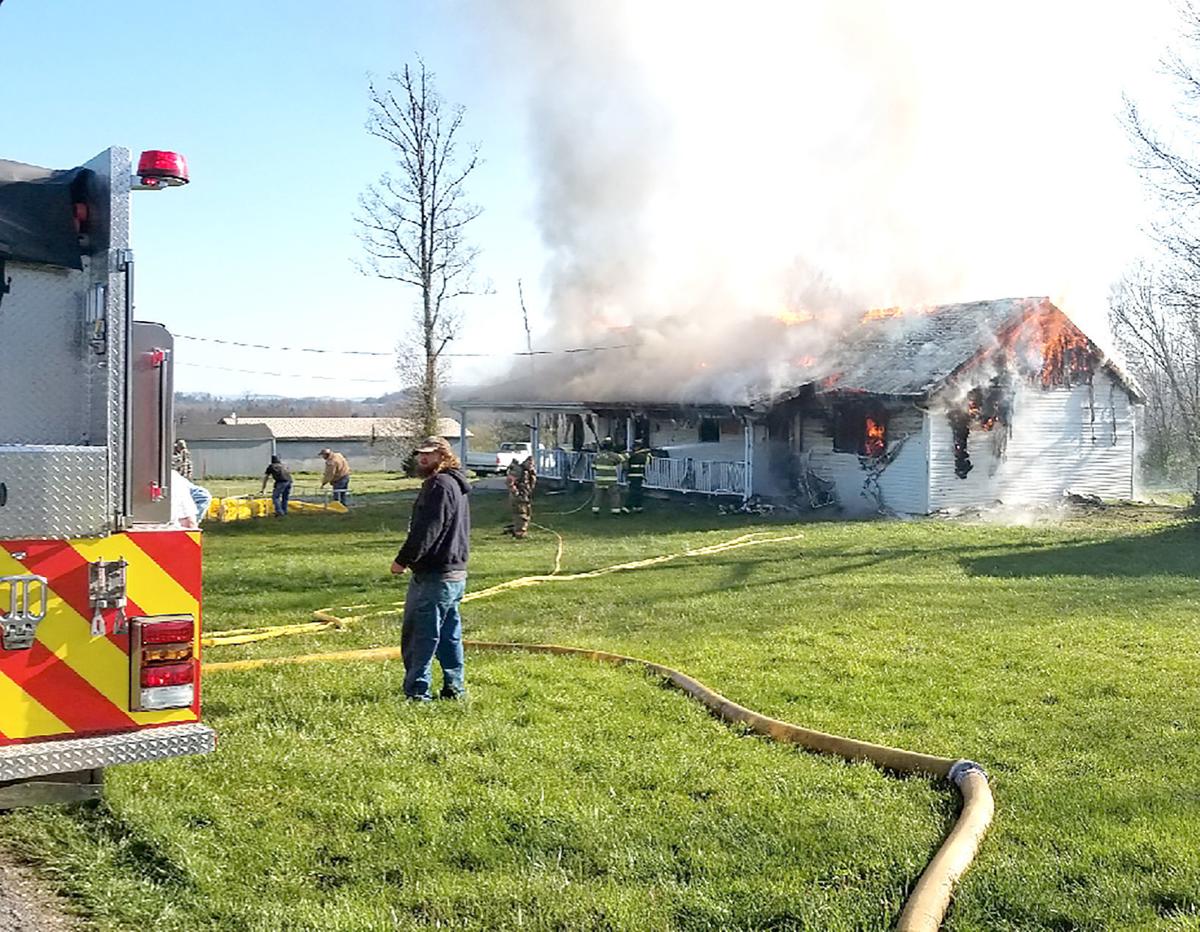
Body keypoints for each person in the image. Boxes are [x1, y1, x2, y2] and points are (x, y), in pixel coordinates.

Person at [390, 435, 471, 701]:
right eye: (420, 454)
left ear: (444, 456)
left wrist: (403, 560)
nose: (423, 458)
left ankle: (417, 693)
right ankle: (455, 689)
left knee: (421, 637)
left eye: (430, 454)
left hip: (435, 574)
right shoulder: (456, 484)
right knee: (448, 635)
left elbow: (428, 529)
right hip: (455, 572)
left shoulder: (439, 484)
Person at [592, 437, 626, 516]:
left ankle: (595, 510)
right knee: (614, 495)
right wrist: (630, 453)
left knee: (598, 496)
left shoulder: (597, 456)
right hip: (610, 480)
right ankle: (615, 511)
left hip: (599, 479)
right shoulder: (613, 455)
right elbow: (623, 458)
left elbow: (593, 467)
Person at [505, 453, 537, 538]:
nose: (531, 465)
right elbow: (509, 482)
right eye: (529, 463)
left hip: (526, 495)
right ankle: (520, 533)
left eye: (532, 464)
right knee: (520, 514)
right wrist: (515, 492)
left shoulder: (529, 472)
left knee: (527, 514)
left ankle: (516, 529)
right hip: (518, 496)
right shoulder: (518, 470)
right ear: (525, 462)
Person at [625, 441, 650, 513]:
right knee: (636, 491)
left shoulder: (633, 455)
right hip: (638, 476)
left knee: (635, 491)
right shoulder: (641, 456)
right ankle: (635, 506)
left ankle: (633, 506)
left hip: (633, 476)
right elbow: (648, 461)